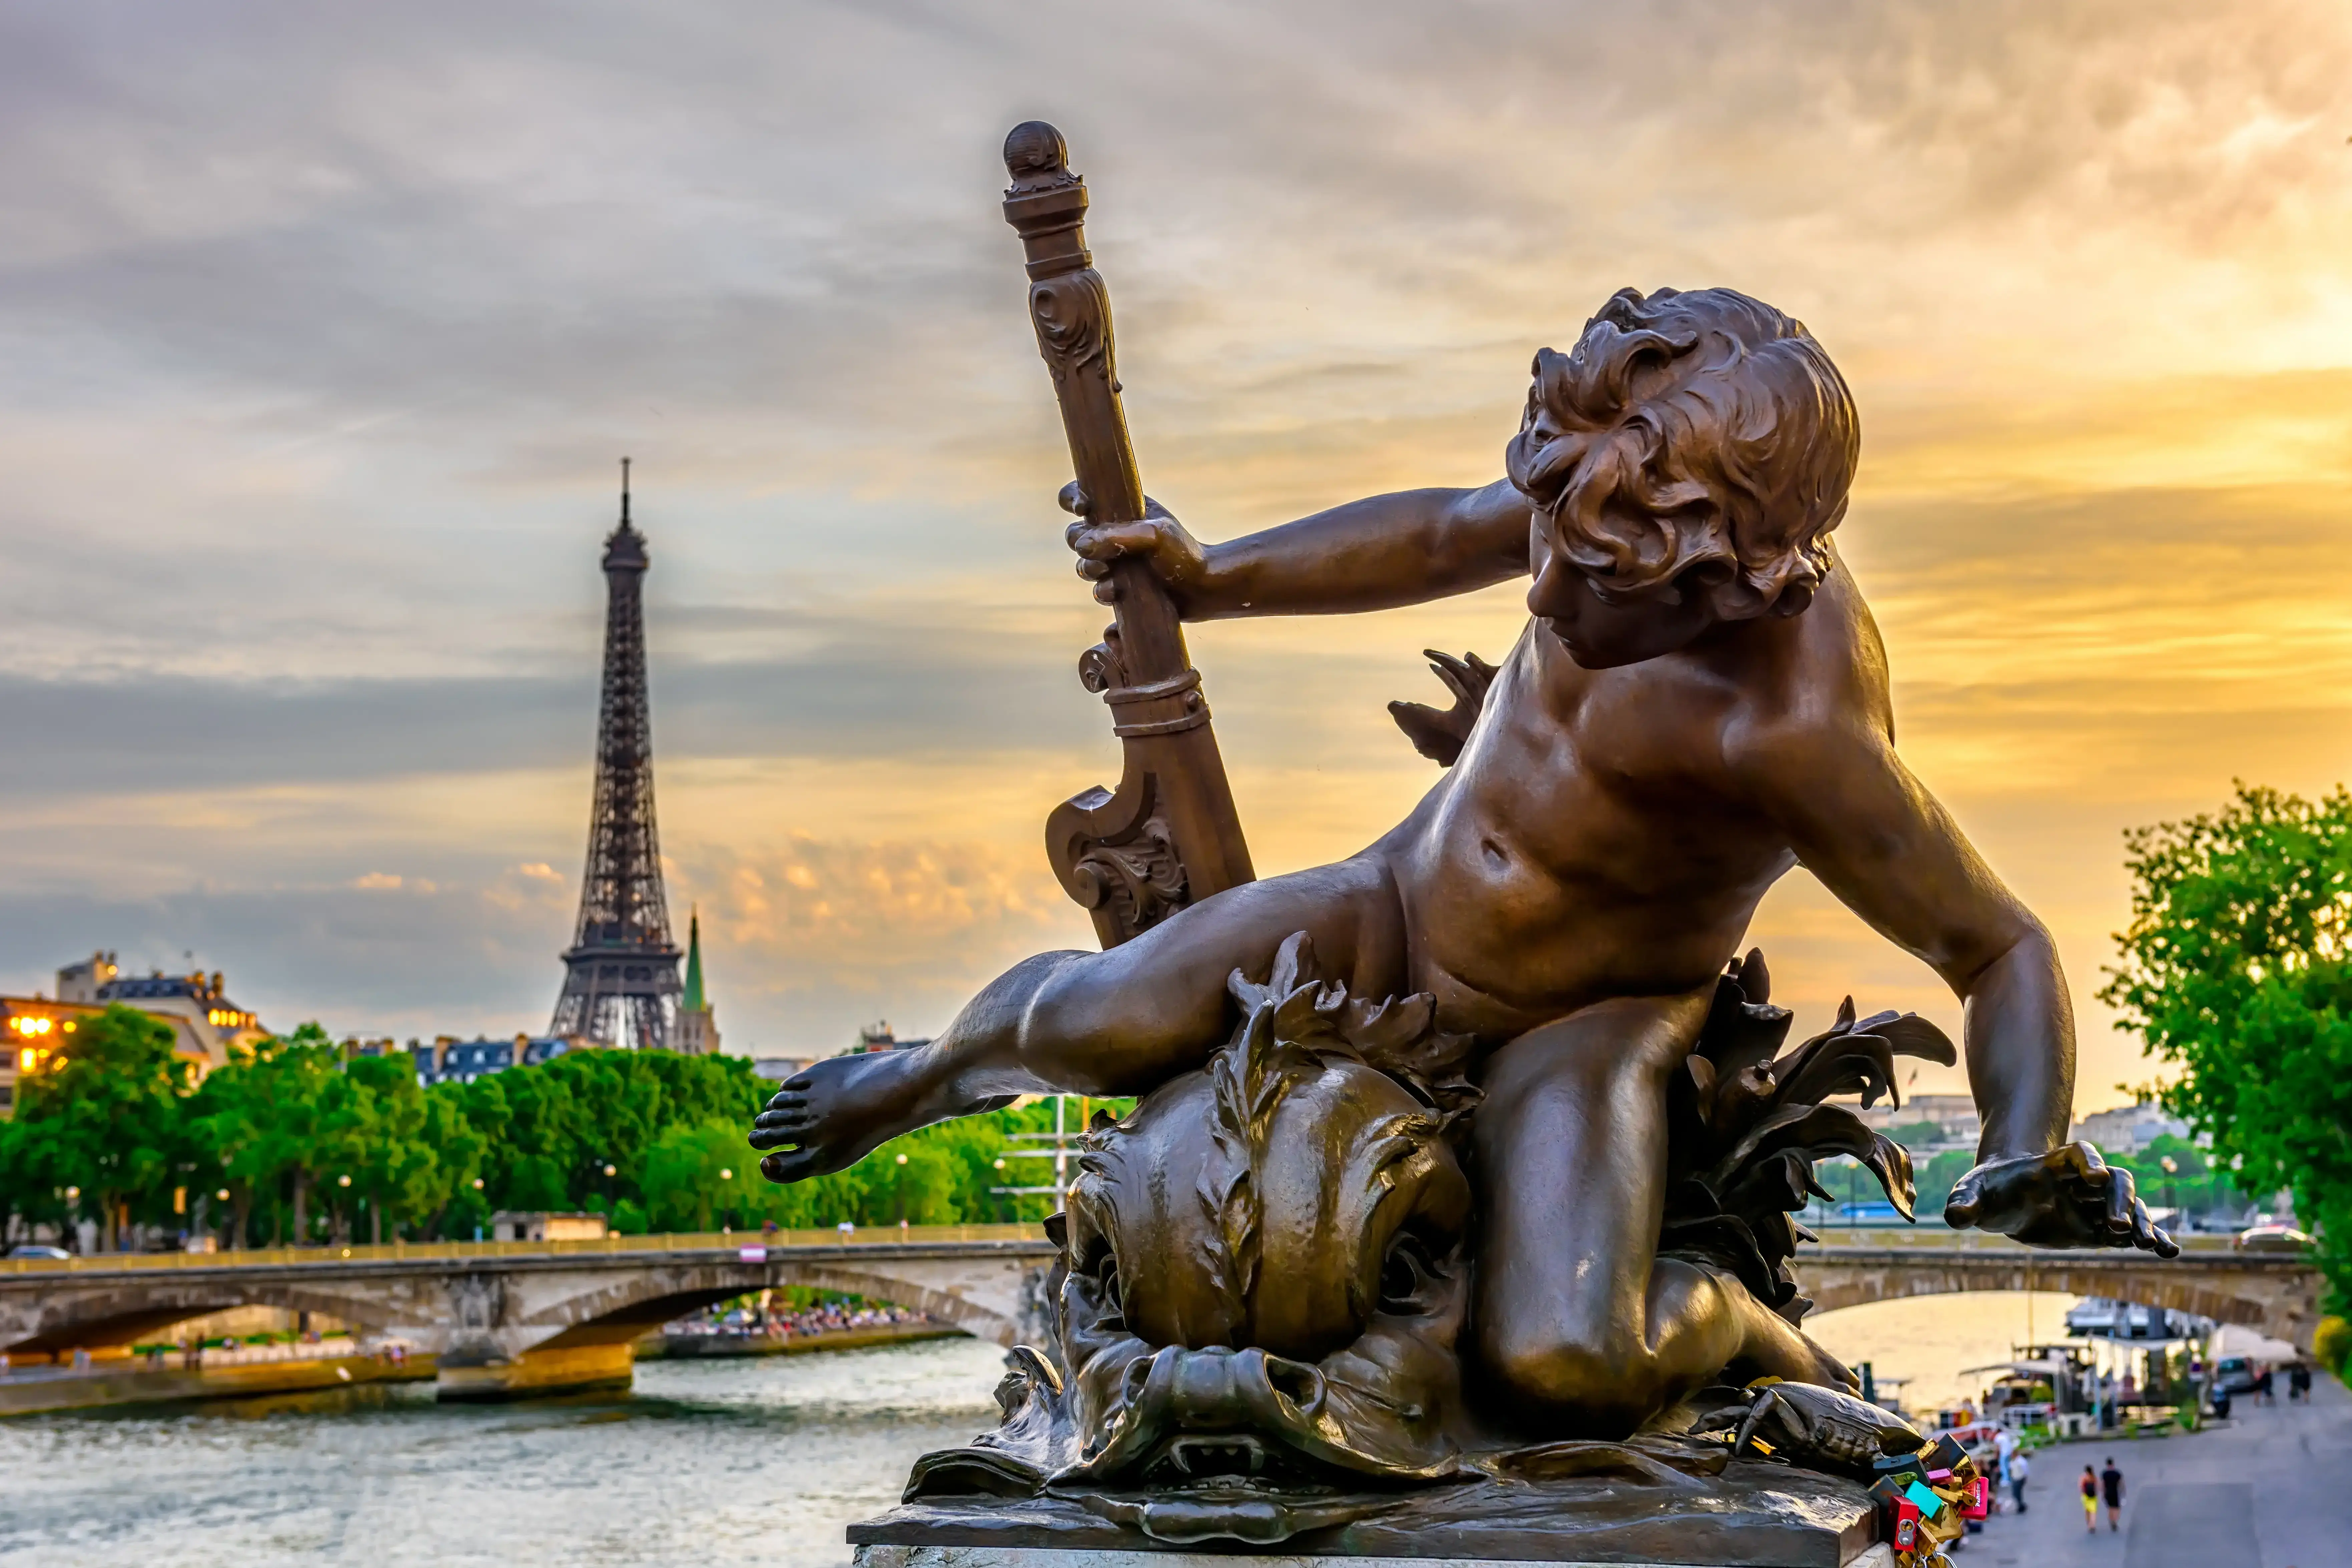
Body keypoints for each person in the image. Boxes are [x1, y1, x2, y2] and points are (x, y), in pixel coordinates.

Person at [753, 286, 2175, 1434]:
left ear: (1723, 585)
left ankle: (1741, 1325)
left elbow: (1997, 944)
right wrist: (1210, 574)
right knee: (1095, 1017)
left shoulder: (1792, 731)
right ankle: (922, 1074)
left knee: (1565, 1362)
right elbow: (1441, 532)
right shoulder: (1605, 496)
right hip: (1395, 903)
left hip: (1583, 1020)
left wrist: (2023, 1143)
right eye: (1541, 537)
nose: (1539, 588)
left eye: (1587, 583)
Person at [2100, 1457, 2124, 1532]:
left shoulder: (2104, 1474)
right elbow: (2121, 1484)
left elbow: (2103, 1485)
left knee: (2110, 1508)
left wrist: (2103, 1494)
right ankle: (2115, 1521)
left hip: (2108, 1492)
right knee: (2117, 1508)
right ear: (2113, 1464)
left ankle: (2111, 1521)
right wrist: (2123, 1492)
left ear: (2107, 1464)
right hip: (2115, 1492)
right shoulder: (2117, 1473)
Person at [2008, 1447, 2030, 1514]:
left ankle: (2021, 1506)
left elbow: (2026, 1470)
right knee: (2015, 1493)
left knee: (2017, 1493)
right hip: (2015, 1478)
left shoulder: (2021, 1461)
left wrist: (2025, 1477)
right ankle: (2021, 1505)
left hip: (2020, 1478)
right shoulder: (2012, 1462)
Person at [2080, 1465, 2099, 1533]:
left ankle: (2089, 1525)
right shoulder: (2094, 1477)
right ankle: (2093, 1525)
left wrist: (2083, 1494)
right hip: (2093, 1497)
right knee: (2093, 1512)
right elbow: (2098, 1486)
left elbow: (2081, 1486)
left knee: (2087, 1511)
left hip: (2086, 1497)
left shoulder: (2084, 1478)